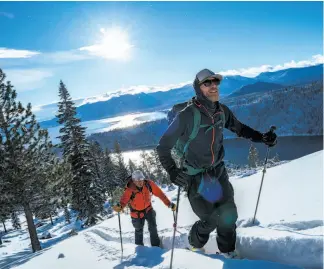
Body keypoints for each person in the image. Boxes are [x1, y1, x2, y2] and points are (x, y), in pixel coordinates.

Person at [156, 68, 277, 258]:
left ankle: (228, 251)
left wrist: (262, 137)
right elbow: (163, 146)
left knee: (229, 214)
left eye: (216, 82)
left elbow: (240, 129)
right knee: (210, 219)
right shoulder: (187, 115)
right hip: (195, 175)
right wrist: (172, 171)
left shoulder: (221, 111)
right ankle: (195, 243)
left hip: (218, 171)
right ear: (198, 88)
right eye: (207, 83)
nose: (213, 86)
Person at [113, 170, 177, 247]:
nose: (140, 182)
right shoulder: (130, 189)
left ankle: (156, 246)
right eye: (138, 180)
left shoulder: (149, 184)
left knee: (153, 227)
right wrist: (120, 206)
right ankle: (140, 249)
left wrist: (169, 204)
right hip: (136, 213)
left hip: (148, 209)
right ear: (134, 181)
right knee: (139, 230)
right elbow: (124, 200)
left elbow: (160, 194)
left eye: (141, 180)